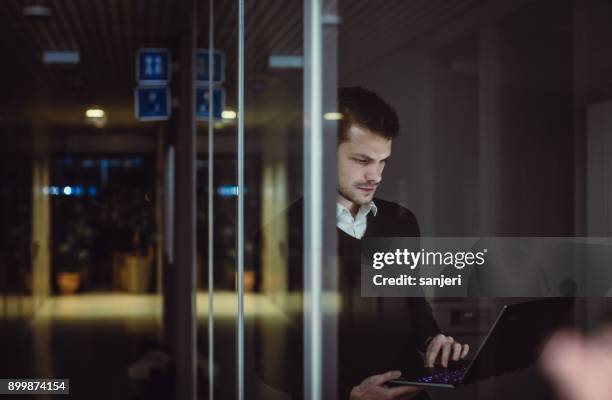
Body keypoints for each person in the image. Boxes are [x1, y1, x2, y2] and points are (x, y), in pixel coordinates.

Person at [253, 87, 469, 400]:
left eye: (383, 162)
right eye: (362, 160)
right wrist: (348, 394)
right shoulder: (282, 234)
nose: (375, 175)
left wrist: (432, 340)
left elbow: (413, 303)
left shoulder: (401, 222)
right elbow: (270, 357)